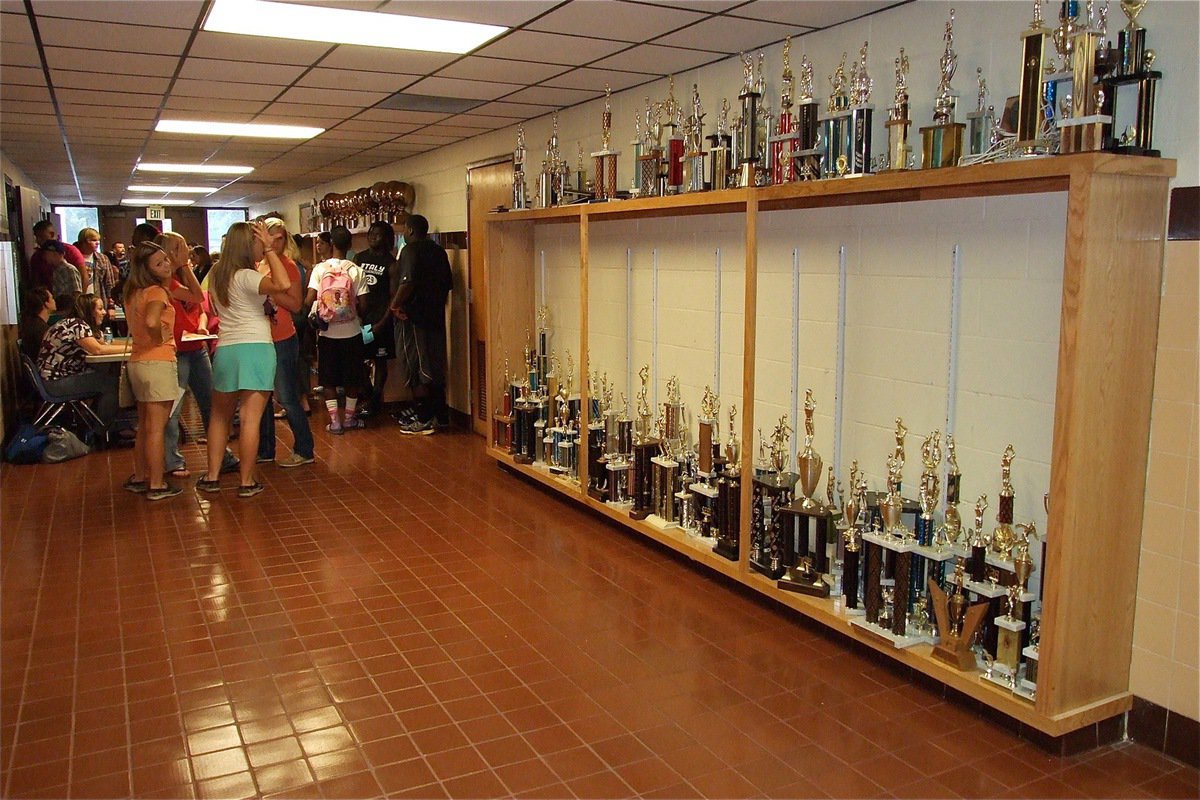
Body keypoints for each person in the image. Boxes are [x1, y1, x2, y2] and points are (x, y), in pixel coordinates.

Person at [198, 220, 291, 498]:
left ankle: (212, 476)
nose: (262, 247)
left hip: (226, 349)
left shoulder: (216, 275)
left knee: (219, 418)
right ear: (247, 245)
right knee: (251, 420)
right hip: (257, 349)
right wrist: (273, 251)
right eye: (258, 243)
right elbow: (283, 284)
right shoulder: (248, 277)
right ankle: (246, 481)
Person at [123, 240, 203, 501]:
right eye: (160, 263)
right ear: (148, 269)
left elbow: (197, 296)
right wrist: (159, 336)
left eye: (166, 259)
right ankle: (157, 483)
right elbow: (151, 321)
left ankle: (139, 476)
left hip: (138, 361)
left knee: (145, 425)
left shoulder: (135, 291)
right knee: (157, 427)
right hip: (157, 360)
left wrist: (184, 267)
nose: (167, 265)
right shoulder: (157, 292)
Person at [156, 232, 238, 479]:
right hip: (177, 351)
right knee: (174, 407)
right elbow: (192, 294)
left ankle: (221, 455)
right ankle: (172, 460)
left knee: (211, 403)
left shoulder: (183, 276)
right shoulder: (166, 282)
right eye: (180, 248)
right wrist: (181, 266)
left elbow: (200, 305)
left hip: (196, 348)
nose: (187, 252)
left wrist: (201, 324)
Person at [255, 218, 314, 468]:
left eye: (280, 238)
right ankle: (265, 450)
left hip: (282, 338)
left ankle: (304, 448)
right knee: (262, 398)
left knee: (287, 396)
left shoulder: (288, 266)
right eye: (272, 237)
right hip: (261, 338)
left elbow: (296, 304)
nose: (276, 243)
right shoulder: (259, 265)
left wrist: (269, 289)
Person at [390, 214, 453, 435]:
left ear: (410, 230)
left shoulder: (410, 251)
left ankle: (425, 417)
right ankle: (441, 416)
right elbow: (447, 285)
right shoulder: (439, 251)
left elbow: (407, 282)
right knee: (435, 367)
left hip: (413, 319)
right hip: (435, 318)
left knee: (416, 369)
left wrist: (394, 306)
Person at [306, 225, 368, 434]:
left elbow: (309, 300)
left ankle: (335, 422)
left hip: (327, 334)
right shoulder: (356, 270)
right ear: (349, 245)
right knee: (353, 377)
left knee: (328, 379)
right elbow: (364, 304)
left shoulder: (320, 269)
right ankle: (349, 419)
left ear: (331, 244)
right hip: (352, 332)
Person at [35, 292, 125, 431]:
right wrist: (133, 349)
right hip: (55, 383)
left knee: (105, 373)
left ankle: (97, 423)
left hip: (51, 379)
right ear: (89, 311)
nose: (104, 312)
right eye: (100, 309)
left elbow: (104, 344)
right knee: (110, 383)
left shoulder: (72, 323)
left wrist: (131, 346)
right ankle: (102, 431)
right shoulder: (77, 325)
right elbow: (98, 350)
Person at [354, 220, 399, 418]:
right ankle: (366, 394)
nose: (373, 237)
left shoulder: (392, 264)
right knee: (357, 359)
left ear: (387, 238)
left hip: (381, 320)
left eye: (378, 234)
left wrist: (383, 322)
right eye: (371, 233)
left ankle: (375, 400)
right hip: (360, 319)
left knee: (380, 361)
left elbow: (393, 298)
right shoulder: (359, 258)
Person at [29, 220, 86, 289]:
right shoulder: (37, 256)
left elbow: (83, 277)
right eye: (36, 237)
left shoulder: (71, 251)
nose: (38, 240)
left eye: (41, 237)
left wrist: (80, 298)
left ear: (52, 234)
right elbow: (36, 281)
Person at [75, 228, 119, 312]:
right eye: (93, 240)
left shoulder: (103, 259)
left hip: (98, 303)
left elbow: (109, 284)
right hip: (79, 303)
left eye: (98, 240)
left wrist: (111, 307)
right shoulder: (73, 258)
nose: (97, 243)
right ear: (84, 241)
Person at [18, 287, 54, 361]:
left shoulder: (32, 324)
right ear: (46, 304)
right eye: (52, 299)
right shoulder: (41, 329)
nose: (54, 301)